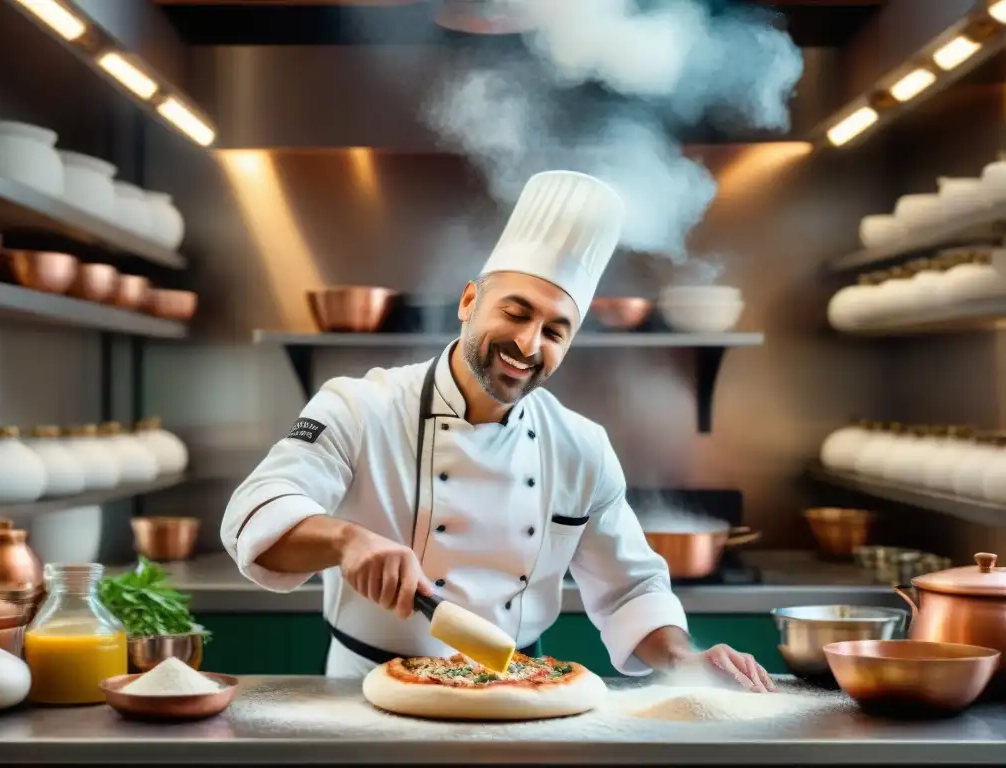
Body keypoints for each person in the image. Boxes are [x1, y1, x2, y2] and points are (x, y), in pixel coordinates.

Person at [220, 170, 775, 691]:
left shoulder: (580, 447)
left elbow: (632, 589)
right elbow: (256, 511)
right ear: (469, 301)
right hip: (366, 694)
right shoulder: (360, 406)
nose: (529, 345)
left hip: (514, 690)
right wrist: (346, 541)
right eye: (515, 313)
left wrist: (684, 659)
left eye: (555, 331)